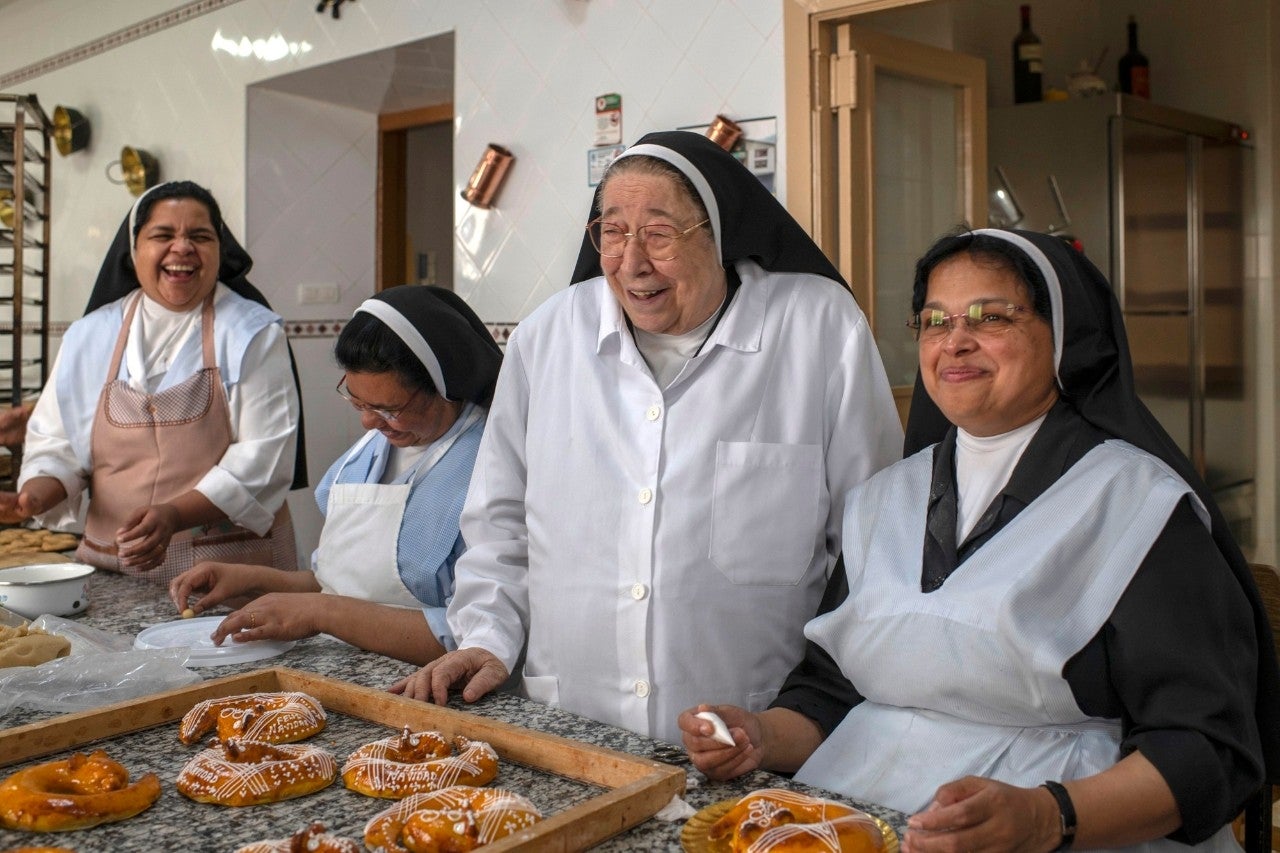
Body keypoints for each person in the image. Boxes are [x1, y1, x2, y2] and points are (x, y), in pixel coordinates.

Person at [679, 227, 1280, 852]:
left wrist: (1046, 819)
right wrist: (760, 735)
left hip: (1080, 824)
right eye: (935, 322)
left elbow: (1207, 747)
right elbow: (831, 692)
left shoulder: (1138, 507)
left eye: (991, 317)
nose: (956, 341)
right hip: (864, 816)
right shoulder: (884, 500)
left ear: (1062, 336)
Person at [391, 130, 902, 745]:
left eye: (658, 234)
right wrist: (487, 637)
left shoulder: (818, 325)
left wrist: (817, 707)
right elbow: (499, 523)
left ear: (718, 233)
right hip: (572, 719)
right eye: (611, 232)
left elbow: (871, 532)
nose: (631, 262)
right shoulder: (547, 337)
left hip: (753, 721)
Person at [168, 286, 502, 665]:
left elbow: (472, 636)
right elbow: (338, 585)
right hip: (352, 669)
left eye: (388, 409)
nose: (368, 422)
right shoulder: (365, 458)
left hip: (436, 686)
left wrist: (319, 614)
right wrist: (251, 581)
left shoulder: (487, 466)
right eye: (357, 401)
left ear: (447, 386)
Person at [0, 181, 302, 583]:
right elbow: (58, 443)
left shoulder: (252, 333)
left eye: (200, 236)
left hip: (231, 574)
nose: (182, 248)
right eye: (163, 235)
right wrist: (33, 496)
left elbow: (263, 460)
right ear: (134, 250)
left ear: (218, 250)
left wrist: (175, 514)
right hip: (112, 568)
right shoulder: (90, 335)